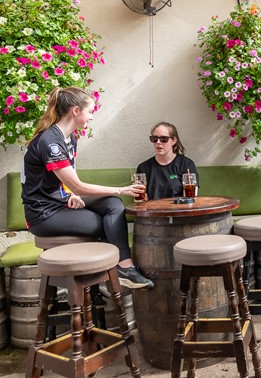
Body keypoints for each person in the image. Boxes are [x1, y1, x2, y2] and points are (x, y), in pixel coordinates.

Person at [21, 87, 154, 289]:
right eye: (90, 111)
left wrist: (71, 194)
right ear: (76, 111)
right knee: (106, 222)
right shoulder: (50, 141)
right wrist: (120, 189)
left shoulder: (70, 138)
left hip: (60, 200)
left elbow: (67, 180)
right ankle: (102, 279)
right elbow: (78, 185)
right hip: (43, 213)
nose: (91, 117)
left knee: (112, 206)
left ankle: (124, 267)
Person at [136, 122, 198, 200]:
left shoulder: (186, 164)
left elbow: (192, 198)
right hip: (153, 210)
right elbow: (141, 200)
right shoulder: (143, 168)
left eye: (163, 139)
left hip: (179, 210)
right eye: (154, 139)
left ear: (173, 141)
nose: (158, 142)